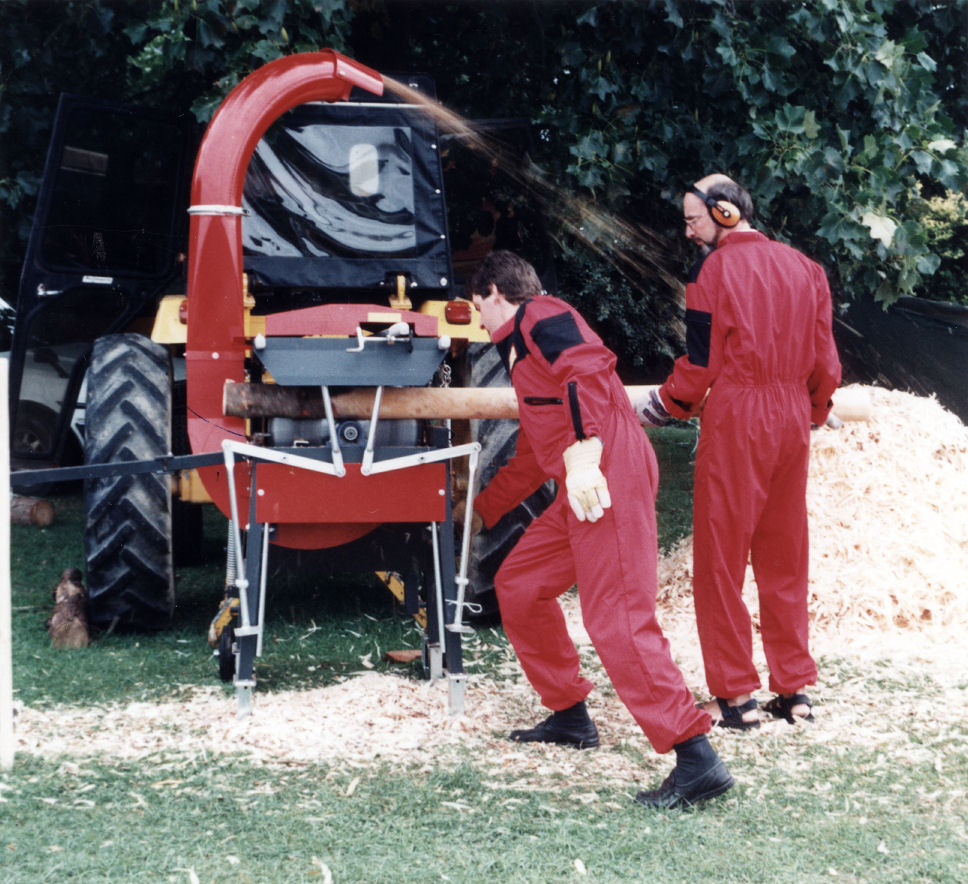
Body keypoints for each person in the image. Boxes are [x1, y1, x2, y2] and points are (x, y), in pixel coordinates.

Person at [462, 250, 733, 810]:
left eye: (476, 305)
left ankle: (695, 754)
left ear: (492, 292)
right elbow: (538, 454)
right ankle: (569, 716)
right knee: (518, 584)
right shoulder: (521, 351)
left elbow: (585, 368)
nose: (477, 319)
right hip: (585, 481)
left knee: (616, 619)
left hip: (606, 474)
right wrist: (482, 509)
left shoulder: (540, 314)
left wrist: (585, 454)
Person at [636, 174, 841, 729]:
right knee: (785, 551)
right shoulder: (807, 268)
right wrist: (815, 411)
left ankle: (737, 697)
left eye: (693, 219)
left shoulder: (713, 271)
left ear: (725, 213)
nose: (687, 231)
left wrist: (667, 404)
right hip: (792, 416)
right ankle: (795, 690)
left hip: (739, 414)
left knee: (722, 556)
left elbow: (701, 364)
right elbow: (827, 362)